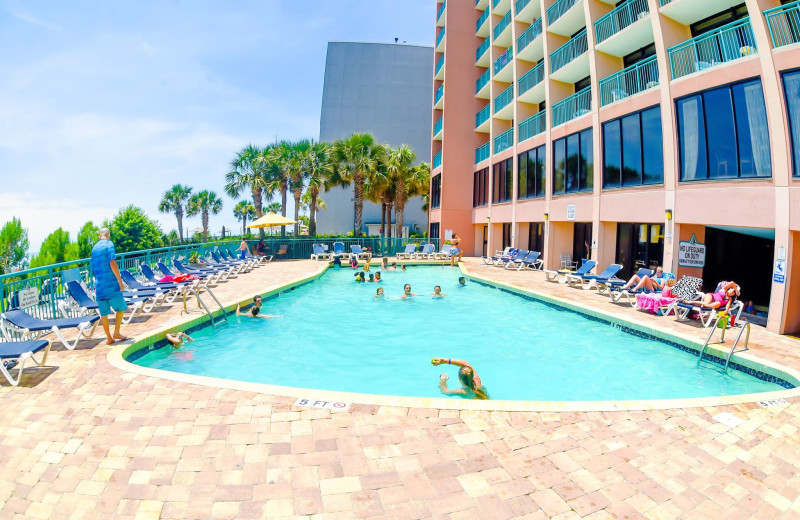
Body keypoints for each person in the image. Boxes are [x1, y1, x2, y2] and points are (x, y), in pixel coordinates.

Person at [90, 228, 129, 345]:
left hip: (99, 285)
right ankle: (116, 332)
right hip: (110, 284)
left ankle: (109, 338)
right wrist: (120, 280)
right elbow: (112, 262)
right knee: (121, 308)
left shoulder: (94, 248)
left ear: (99, 236)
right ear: (109, 235)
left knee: (104, 313)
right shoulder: (109, 244)